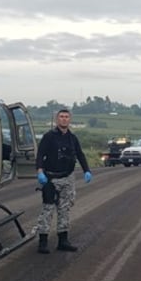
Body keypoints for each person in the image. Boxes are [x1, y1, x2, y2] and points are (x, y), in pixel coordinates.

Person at [34, 108, 92, 253]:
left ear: (70, 119)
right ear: (57, 119)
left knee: (64, 209)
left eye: (66, 116)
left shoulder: (72, 138)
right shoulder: (49, 137)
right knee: (48, 209)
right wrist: (40, 171)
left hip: (67, 178)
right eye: (61, 116)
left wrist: (87, 170)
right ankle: (43, 242)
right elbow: (40, 155)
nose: (64, 119)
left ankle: (63, 240)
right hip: (50, 178)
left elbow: (80, 154)